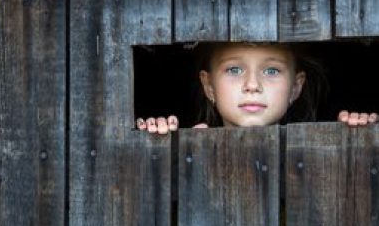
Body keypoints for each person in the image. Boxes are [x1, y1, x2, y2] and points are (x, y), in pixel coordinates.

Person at [136, 42, 378, 134]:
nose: (252, 85)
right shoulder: (193, 141)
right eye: (234, 70)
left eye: (271, 71)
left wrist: (358, 136)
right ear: (209, 86)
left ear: (295, 87)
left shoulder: (313, 153)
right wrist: (166, 145)